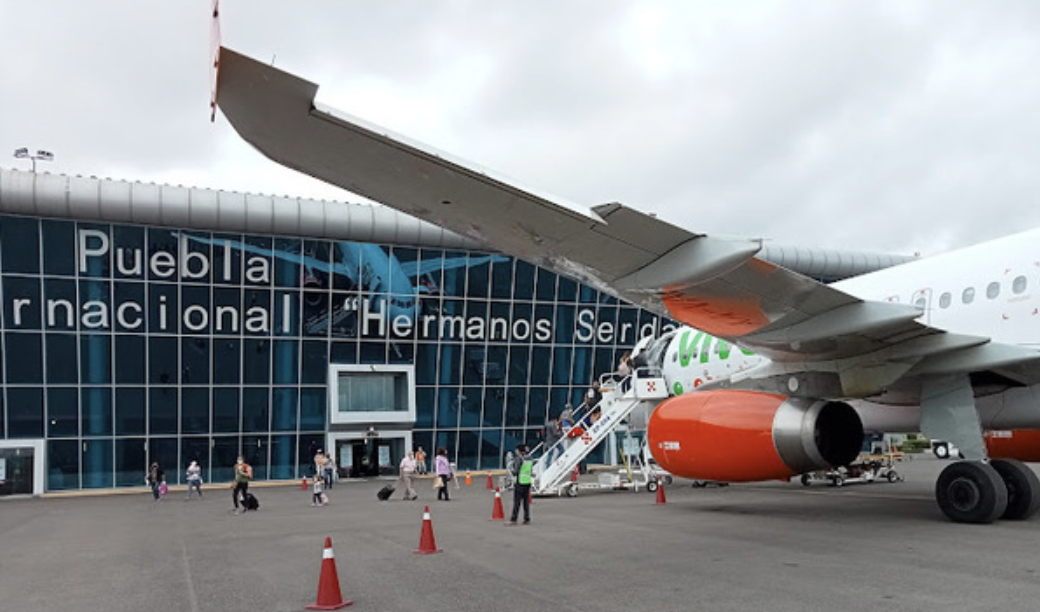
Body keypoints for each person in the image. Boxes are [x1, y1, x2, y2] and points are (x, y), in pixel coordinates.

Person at [507, 445, 533, 526]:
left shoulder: (519, 458)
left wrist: (511, 471)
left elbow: (516, 471)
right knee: (526, 502)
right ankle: (527, 518)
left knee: (517, 502)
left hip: (520, 481)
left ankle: (513, 519)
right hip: (527, 481)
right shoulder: (530, 458)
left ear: (519, 450)